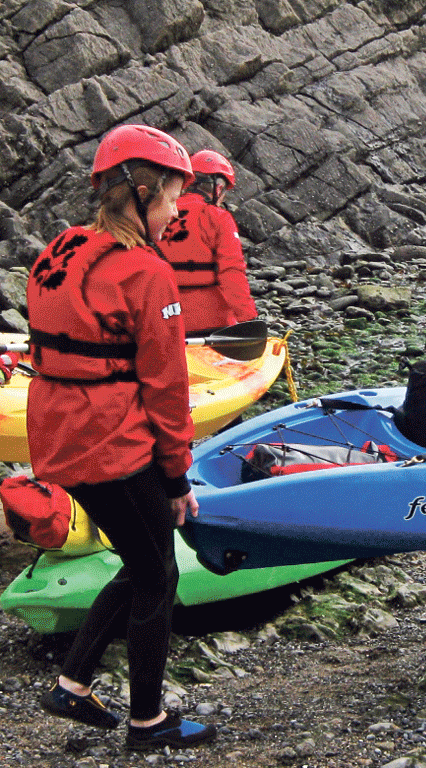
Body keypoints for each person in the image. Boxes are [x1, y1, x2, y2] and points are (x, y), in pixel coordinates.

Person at [29, 124, 216, 750]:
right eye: (170, 200)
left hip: (59, 440)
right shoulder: (145, 274)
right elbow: (165, 389)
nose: (175, 213)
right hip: (109, 445)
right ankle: (148, 722)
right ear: (141, 193)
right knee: (159, 574)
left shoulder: (58, 250)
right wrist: (176, 478)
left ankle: (73, 685)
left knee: (138, 562)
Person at [159, 149, 257, 336]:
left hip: (163, 319)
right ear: (218, 188)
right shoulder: (218, 218)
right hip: (211, 324)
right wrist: (249, 321)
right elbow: (232, 273)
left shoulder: (158, 213)